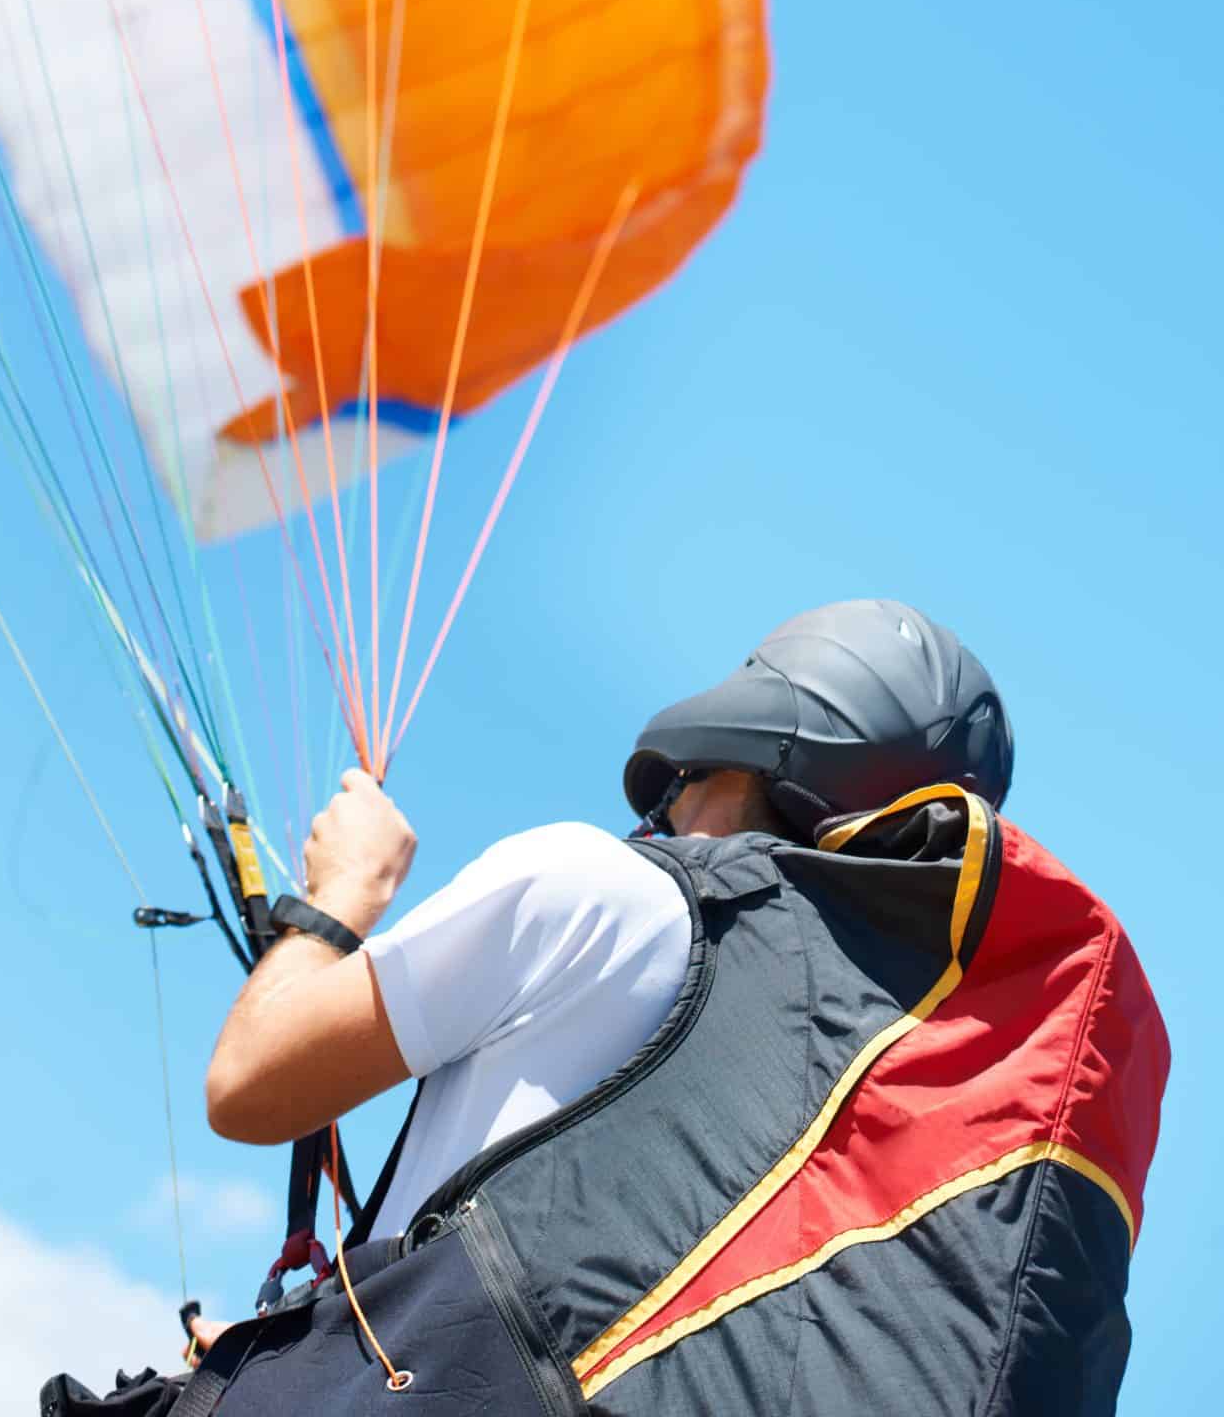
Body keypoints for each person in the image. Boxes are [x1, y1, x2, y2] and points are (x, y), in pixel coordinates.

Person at [75, 599, 1170, 1414]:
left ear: (742, 751)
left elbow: (251, 1081)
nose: (660, 811)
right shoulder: (851, 1062)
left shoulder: (594, 884)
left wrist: (337, 897)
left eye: (672, 783)